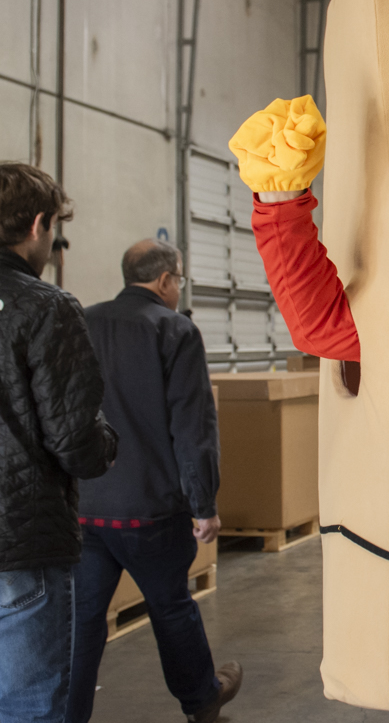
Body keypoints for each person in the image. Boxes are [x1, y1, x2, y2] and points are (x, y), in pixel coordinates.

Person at [67, 240, 241, 723]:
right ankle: (202, 701)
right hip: (150, 511)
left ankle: (66, 715)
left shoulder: (80, 321)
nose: (178, 288)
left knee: (82, 622)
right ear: (165, 280)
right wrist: (204, 505)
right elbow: (193, 427)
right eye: (179, 279)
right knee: (171, 607)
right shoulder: (175, 329)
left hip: (85, 507)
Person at [0, 162, 119, 721]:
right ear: (38, 225)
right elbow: (75, 443)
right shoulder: (46, 305)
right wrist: (106, 442)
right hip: (20, 544)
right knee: (29, 708)